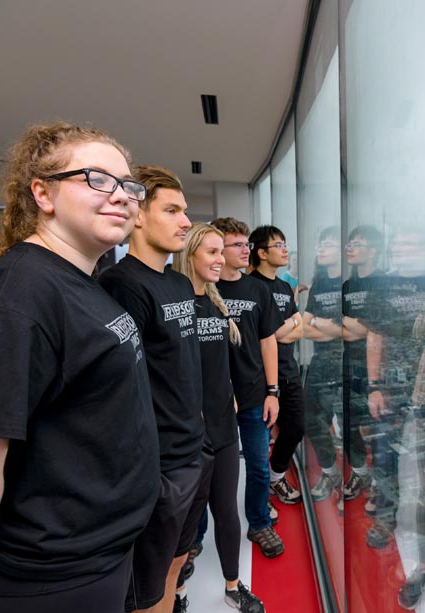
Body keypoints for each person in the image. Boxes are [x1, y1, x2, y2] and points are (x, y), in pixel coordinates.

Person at [0, 121, 158, 612]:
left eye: (130, 186)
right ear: (43, 193)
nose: (123, 197)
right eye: (97, 179)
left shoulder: (81, 280)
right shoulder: (16, 295)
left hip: (97, 557)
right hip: (47, 580)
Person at [99, 165, 204, 613]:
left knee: (178, 560)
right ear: (137, 215)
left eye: (186, 211)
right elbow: (123, 390)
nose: (186, 221)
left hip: (192, 449)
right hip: (158, 465)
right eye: (173, 210)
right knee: (145, 589)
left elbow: (183, 366)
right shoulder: (121, 286)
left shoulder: (179, 282)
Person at [172, 224, 264, 612]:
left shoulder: (215, 303)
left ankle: (232, 585)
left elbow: (221, 366)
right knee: (182, 524)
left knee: (227, 511)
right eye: (210, 252)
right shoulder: (175, 305)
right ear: (190, 254)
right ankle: (174, 593)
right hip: (186, 436)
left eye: (219, 252)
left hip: (223, 429)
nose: (219, 260)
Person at [364, 227, 425, 610]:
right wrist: (374, 385)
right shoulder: (383, 287)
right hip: (393, 388)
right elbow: (374, 337)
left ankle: (423, 564)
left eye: (412, 242)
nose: (404, 249)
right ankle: (388, 516)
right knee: (386, 458)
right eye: (400, 243)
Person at [211, 217, 285, 558]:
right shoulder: (201, 288)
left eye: (247, 244)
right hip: (214, 399)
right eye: (238, 245)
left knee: (257, 465)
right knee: (207, 470)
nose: (247, 250)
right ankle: (193, 540)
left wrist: (273, 392)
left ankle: (258, 523)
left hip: (255, 395)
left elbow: (268, 342)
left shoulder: (258, 290)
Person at [248, 225, 305, 509]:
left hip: (290, 371)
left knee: (295, 428)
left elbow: (298, 327)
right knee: (259, 441)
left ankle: (276, 476)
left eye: (285, 244)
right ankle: (260, 496)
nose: (285, 250)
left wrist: (282, 329)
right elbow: (266, 336)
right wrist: (284, 328)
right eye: (278, 245)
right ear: (261, 253)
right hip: (264, 376)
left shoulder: (283, 286)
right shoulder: (252, 286)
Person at [341, 225, 384, 502]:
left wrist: (361, 327)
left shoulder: (383, 284)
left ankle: (382, 483)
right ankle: (360, 471)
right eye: (350, 243)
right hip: (348, 363)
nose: (350, 248)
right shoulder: (347, 286)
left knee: (380, 427)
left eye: (357, 243)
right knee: (349, 424)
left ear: (374, 250)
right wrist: (362, 326)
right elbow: (342, 328)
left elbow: (376, 332)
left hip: (375, 367)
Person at [302, 227, 344, 502]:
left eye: (329, 243)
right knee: (310, 419)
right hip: (320, 360)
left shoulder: (349, 283)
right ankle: (331, 471)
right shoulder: (319, 282)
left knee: (346, 423)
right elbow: (305, 327)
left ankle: (359, 477)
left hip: (343, 361)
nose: (322, 248)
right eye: (321, 243)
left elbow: (348, 330)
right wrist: (323, 325)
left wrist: (325, 326)